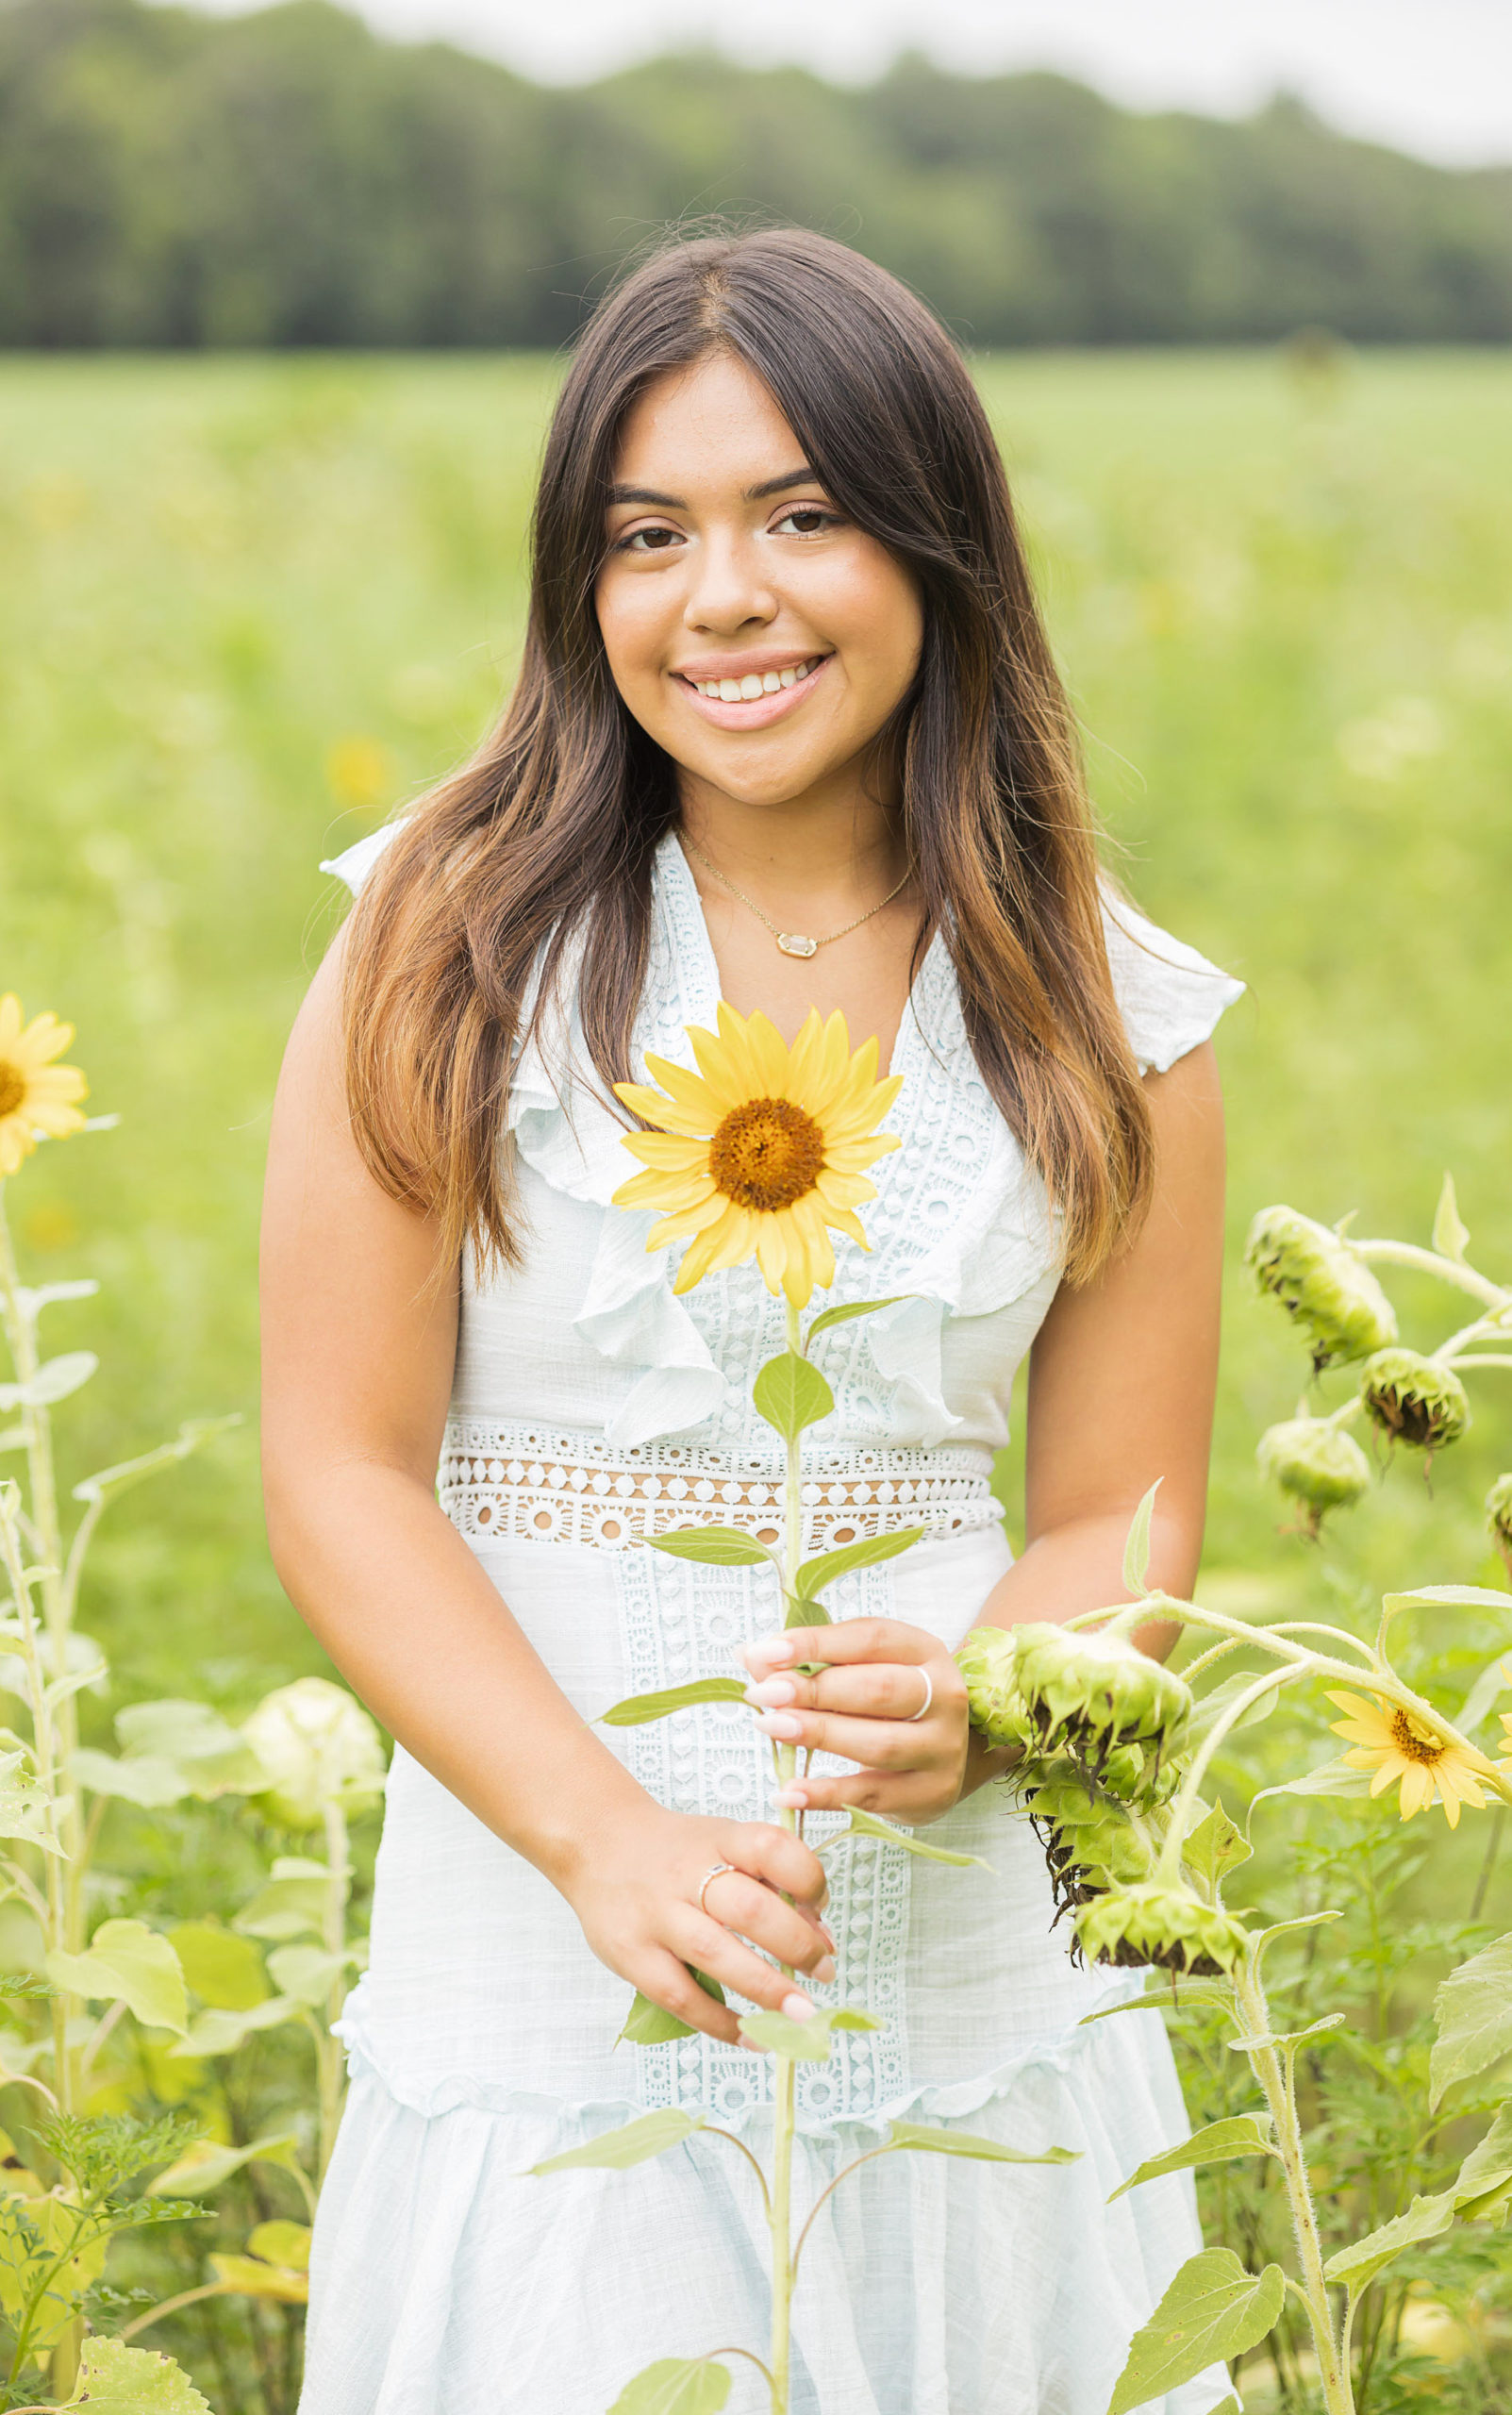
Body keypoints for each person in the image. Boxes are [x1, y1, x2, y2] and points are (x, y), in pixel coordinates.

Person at [261, 228, 1245, 2415]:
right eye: (647, 533)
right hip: (541, 1943)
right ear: (577, 583)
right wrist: (600, 1837)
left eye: (800, 514)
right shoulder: (446, 931)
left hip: (961, 1958)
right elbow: (338, 1462)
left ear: (937, 543)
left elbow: (1118, 1510)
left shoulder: (1108, 1001)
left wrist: (995, 1704)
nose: (722, 595)